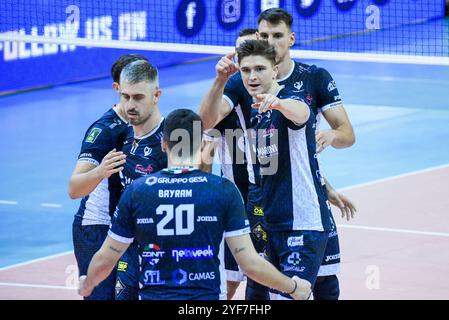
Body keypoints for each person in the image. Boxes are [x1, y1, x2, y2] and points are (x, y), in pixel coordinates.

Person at [199, 8, 356, 300]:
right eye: (246, 70)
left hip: (304, 215)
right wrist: (220, 80)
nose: (252, 75)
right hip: (263, 211)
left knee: (318, 284)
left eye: (278, 35)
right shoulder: (240, 87)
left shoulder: (301, 88)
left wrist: (280, 104)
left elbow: (303, 114)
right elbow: (204, 125)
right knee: (255, 291)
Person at [78, 109, 312, 300]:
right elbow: (250, 264)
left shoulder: (136, 192)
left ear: (163, 144)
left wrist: (88, 282)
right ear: (202, 143)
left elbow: (106, 257)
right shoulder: (222, 190)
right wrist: (292, 287)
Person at [68, 54, 148, 300]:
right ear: (118, 88)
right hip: (97, 227)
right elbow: (74, 188)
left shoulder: (148, 123)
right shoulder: (104, 130)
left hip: (128, 226)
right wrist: (100, 171)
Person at [113, 60, 168, 300]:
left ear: (156, 95)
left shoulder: (172, 137)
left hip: (162, 249)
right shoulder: (118, 134)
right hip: (126, 244)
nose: (129, 105)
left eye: (138, 97)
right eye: (125, 97)